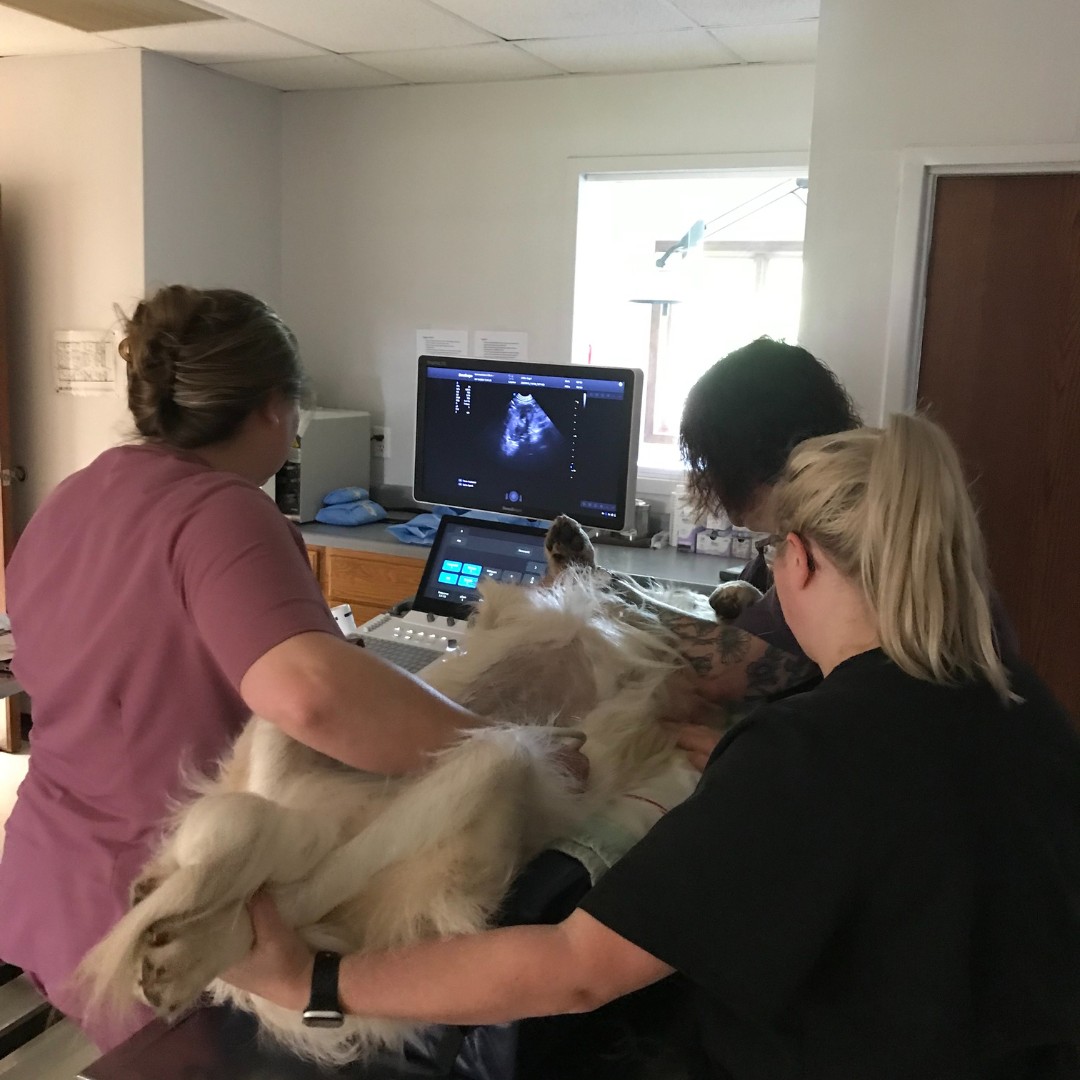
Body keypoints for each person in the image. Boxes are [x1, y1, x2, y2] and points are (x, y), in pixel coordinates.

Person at [224, 414, 1080, 1079]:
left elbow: (575, 970)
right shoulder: (1019, 702)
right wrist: (755, 790)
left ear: (800, 561)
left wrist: (317, 983)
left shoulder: (810, 754)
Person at [0, 285, 497, 1051]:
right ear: (273, 407)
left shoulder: (72, 497)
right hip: (174, 911)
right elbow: (311, 697)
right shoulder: (222, 511)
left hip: (45, 879)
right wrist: (494, 750)